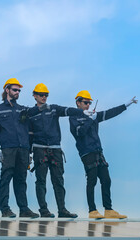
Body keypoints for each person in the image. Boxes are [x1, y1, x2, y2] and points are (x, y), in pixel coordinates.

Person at [69, 90, 137, 218]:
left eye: (89, 103)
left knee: (106, 180)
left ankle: (108, 210)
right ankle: (92, 211)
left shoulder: (93, 116)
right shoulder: (74, 118)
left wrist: (126, 105)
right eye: (85, 102)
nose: (88, 105)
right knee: (92, 180)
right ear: (78, 103)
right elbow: (80, 132)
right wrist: (89, 120)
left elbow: (110, 113)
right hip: (87, 153)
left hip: (98, 151)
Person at [28, 83, 91, 218]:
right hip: (39, 150)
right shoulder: (31, 114)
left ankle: (62, 210)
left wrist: (82, 111)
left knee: (58, 180)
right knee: (41, 181)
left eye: (46, 95)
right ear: (34, 96)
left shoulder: (53, 109)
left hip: (55, 150)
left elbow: (67, 110)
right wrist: (29, 153)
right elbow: (29, 134)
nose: (44, 97)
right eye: (41, 95)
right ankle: (44, 210)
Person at [0, 78, 39, 218]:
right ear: (7, 90)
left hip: (23, 149)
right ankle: (5, 209)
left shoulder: (22, 110)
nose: (17, 92)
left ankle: (24, 210)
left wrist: (29, 151)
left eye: (19, 90)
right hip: (8, 149)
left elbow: (30, 129)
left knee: (21, 180)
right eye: (15, 89)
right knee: (5, 179)